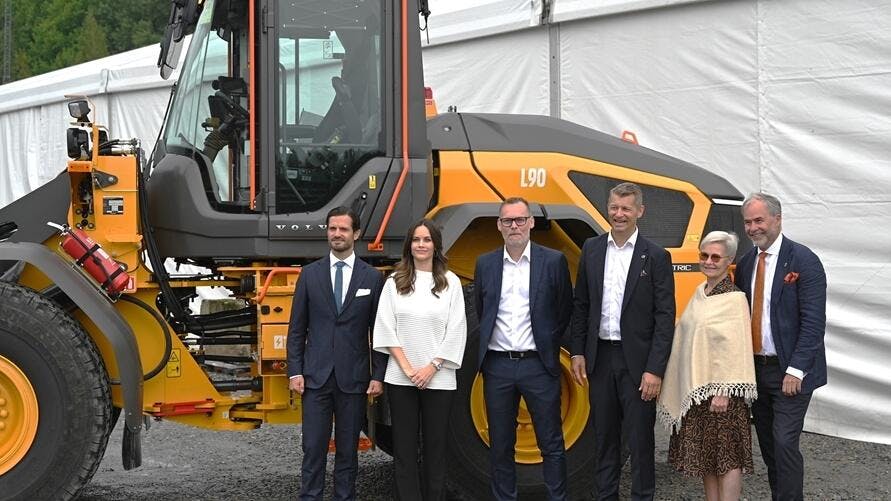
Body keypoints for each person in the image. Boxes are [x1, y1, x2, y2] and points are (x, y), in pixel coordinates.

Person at [569, 182, 676, 501]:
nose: (619, 214)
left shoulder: (656, 256)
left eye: (626, 208)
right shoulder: (591, 249)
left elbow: (664, 317)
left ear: (639, 212)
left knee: (640, 441)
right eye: (614, 207)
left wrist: (655, 370)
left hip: (638, 365)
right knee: (604, 439)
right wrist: (577, 351)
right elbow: (581, 304)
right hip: (600, 359)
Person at [473, 197, 573, 501]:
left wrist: (546, 347)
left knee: (551, 442)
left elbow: (563, 310)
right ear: (498, 226)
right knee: (500, 445)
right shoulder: (485, 263)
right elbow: (482, 309)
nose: (514, 226)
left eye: (520, 219)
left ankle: (558, 497)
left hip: (538, 366)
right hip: (498, 366)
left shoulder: (553, 261)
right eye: (507, 221)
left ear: (531, 222)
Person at [286, 206, 387, 501]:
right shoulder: (309, 275)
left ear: (355, 234)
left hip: (353, 380)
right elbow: (297, 328)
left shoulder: (371, 278)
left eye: (343, 229)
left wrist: (378, 375)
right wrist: (295, 370)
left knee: (347, 453)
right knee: (313, 450)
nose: (337, 234)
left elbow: (378, 332)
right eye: (332, 228)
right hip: (315, 379)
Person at [734, 193, 827, 501]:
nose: (752, 228)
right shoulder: (747, 263)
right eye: (748, 222)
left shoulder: (803, 260)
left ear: (777, 218)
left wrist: (796, 370)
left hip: (791, 373)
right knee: (771, 447)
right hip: (757, 372)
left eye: (759, 220)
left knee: (785, 442)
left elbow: (813, 322)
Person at [657, 231, 757, 501]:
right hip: (698, 393)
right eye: (704, 255)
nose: (709, 261)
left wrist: (723, 390)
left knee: (728, 459)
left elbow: (737, 348)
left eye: (716, 257)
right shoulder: (700, 293)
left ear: (729, 261)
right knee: (707, 459)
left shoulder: (734, 299)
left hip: (723, 396)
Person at [372, 219, 467, 501]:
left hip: (439, 378)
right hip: (401, 378)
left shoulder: (451, 283)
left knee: (436, 450)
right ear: (409, 245)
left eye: (427, 240)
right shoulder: (394, 282)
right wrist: (408, 368)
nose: (421, 245)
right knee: (404, 449)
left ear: (436, 245)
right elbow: (385, 327)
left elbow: (457, 328)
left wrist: (431, 367)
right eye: (416, 240)